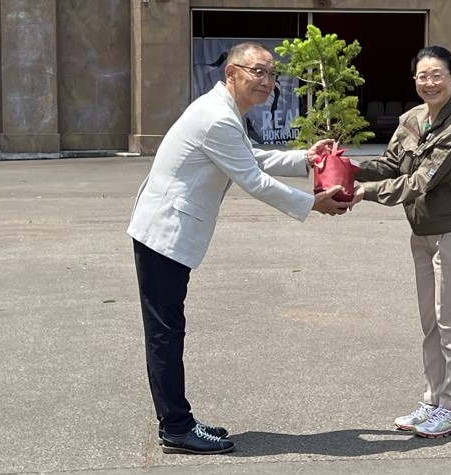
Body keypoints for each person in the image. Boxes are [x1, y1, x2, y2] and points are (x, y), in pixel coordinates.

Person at [127, 42, 354, 455]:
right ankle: (176, 427)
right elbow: (253, 179)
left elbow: (251, 158)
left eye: (272, 74)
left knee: (168, 330)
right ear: (231, 73)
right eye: (258, 72)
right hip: (163, 233)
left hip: (167, 231)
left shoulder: (224, 113)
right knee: (165, 333)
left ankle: (178, 419)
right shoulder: (217, 118)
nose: (267, 81)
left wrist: (307, 157)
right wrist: (311, 203)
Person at [351, 46, 451, 438]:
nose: (430, 82)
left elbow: (418, 182)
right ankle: (432, 401)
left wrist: (363, 192)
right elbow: (391, 165)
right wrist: (345, 164)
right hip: (422, 234)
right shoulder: (411, 118)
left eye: (438, 74)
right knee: (431, 323)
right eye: (423, 75)